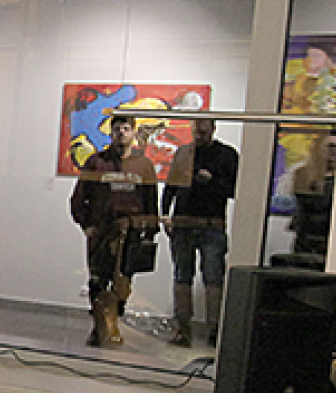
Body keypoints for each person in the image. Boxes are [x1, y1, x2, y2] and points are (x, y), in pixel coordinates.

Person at [71, 114, 159, 347]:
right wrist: (87, 225)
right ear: (110, 133)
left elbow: (151, 200)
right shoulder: (96, 162)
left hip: (131, 233)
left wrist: (151, 231)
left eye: (126, 128)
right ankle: (100, 326)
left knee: (123, 282)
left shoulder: (143, 165)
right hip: (102, 232)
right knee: (98, 280)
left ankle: (113, 321)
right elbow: (79, 197)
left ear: (134, 133)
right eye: (117, 129)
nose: (121, 133)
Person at [160, 118, 239, 347]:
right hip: (183, 222)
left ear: (213, 129)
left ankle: (215, 330)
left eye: (204, 131)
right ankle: (182, 329)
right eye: (197, 131)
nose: (200, 135)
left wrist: (213, 181)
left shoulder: (227, 155)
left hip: (211, 224)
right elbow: (171, 185)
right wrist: (164, 214)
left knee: (213, 278)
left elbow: (236, 189)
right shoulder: (183, 153)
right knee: (182, 276)